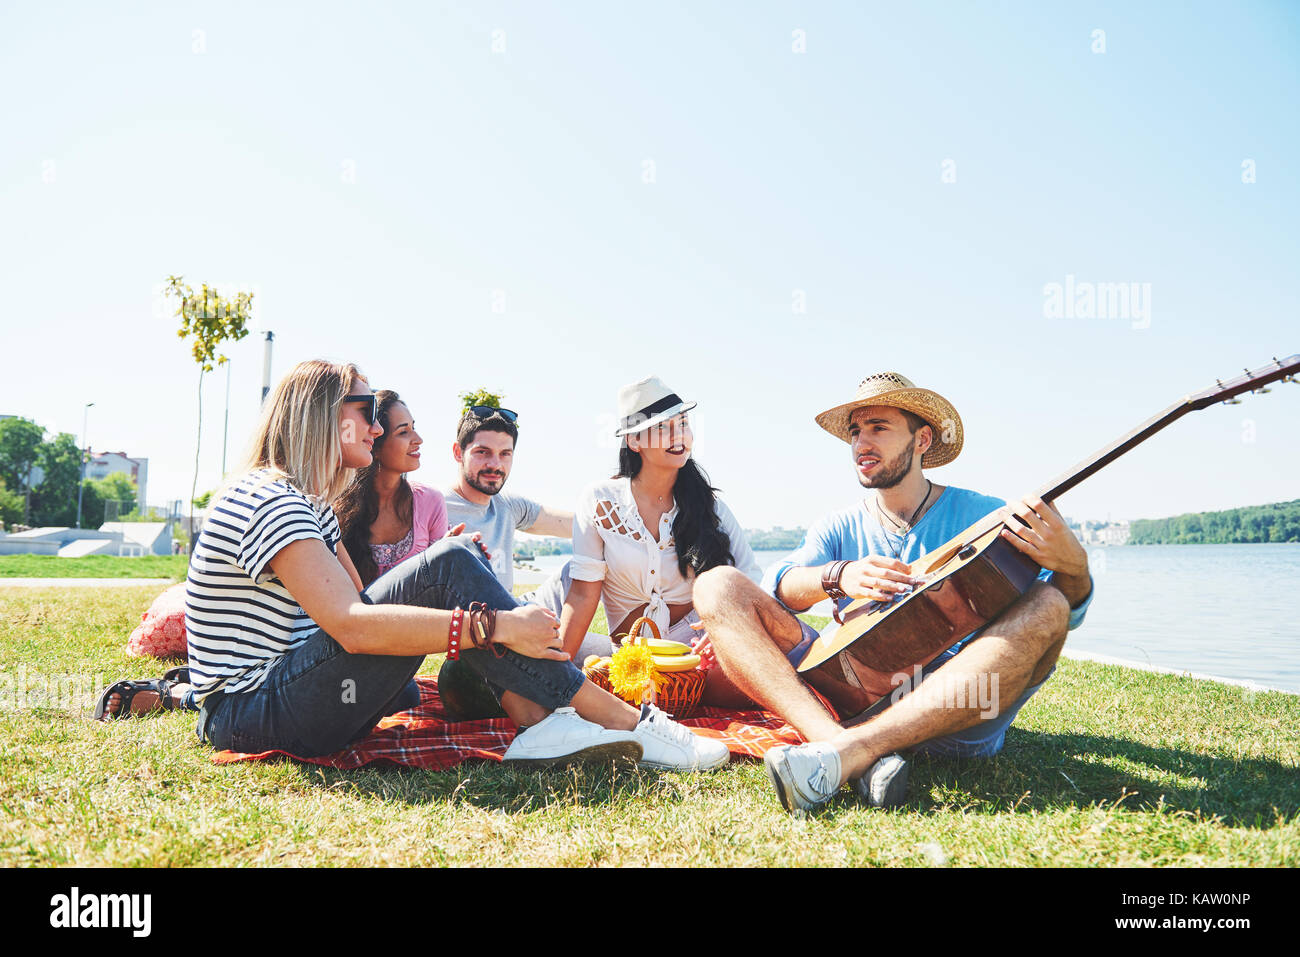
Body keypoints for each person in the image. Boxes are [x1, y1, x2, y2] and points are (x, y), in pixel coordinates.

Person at [170, 359, 727, 771]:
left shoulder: (307, 502)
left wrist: (456, 585)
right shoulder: (270, 498)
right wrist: (495, 625)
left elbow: (365, 604)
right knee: (449, 564)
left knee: (452, 560)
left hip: (288, 694)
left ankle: (550, 720)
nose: (378, 428)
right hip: (252, 713)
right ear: (324, 419)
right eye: (367, 413)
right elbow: (350, 625)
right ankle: (621, 724)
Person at [692, 371, 1094, 811]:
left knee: (1050, 602)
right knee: (717, 584)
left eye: (878, 428)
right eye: (855, 432)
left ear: (922, 440)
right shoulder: (839, 524)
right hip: (846, 691)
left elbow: (1062, 614)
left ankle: (851, 751)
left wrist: (1074, 567)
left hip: (949, 710)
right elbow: (780, 587)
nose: (862, 443)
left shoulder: (984, 514)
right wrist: (839, 576)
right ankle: (838, 746)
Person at [560, 376, 762, 706]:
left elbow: (751, 581)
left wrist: (721, 634)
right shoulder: (599, 501)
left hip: (701, 657)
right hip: (633, 664)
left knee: (760, 668)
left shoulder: (709, 507)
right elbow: (583, 594)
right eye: (663, 428)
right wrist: (556, 676)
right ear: (634, 441)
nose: (678, 435)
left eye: (683, 423)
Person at [442, 405, 572, 592]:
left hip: (510, 612)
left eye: (505, 454)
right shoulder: (435, 506)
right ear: (457, 452)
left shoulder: (508, 505)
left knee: (578, 569)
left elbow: (576, 525)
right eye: (482, 452)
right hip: (461, 616)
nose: (495, 464)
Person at [335, 390, 454, 587]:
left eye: (413, 427)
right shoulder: (337, 504)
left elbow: (437, 587)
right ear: (376, 443)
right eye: (403, 432)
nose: (418, 439)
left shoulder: (430, 501)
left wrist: (447, 554)